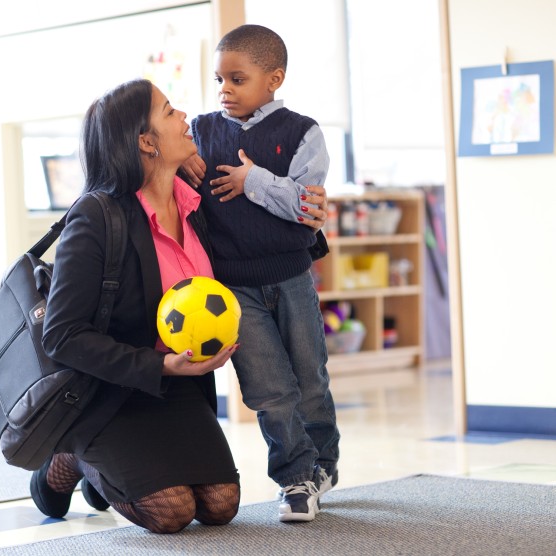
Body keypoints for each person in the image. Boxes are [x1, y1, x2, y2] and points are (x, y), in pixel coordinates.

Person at [29, 79, 242, 535]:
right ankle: (70, 458)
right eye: (169, 112)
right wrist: (160, 364)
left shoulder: (193, 203)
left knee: (220, 505)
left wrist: (308, 212)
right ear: (146, 142)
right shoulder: (95, 215)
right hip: (110, 394)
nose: (184, 116)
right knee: (172, 512)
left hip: (179, 389)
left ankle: (111, 473)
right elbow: (62, 335)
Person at [179, 24, 340, 523]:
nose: (224, 89)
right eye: (219, 79)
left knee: (309, 378)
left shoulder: (303, 132)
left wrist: (254, 181)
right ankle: (295, 477)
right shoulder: (202, 132)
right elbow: (174, 172)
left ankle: (323, 462)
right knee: (268, 388)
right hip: (232, 287)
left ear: (273, 79)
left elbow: (304, 206)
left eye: (237, 79)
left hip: (292, 278)